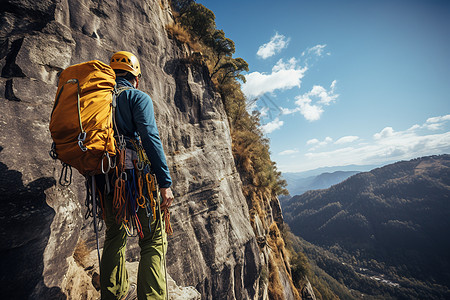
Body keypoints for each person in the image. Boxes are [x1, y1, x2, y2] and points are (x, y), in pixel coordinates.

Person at [99, 51, 174, 300]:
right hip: (136, 181)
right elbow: (151, 139)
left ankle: (115, 294)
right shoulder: (136, 97)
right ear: (136, 78)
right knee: (153, 239)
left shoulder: (98, 99)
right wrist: (165, 183)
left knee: (114, 234)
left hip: (103, 179)